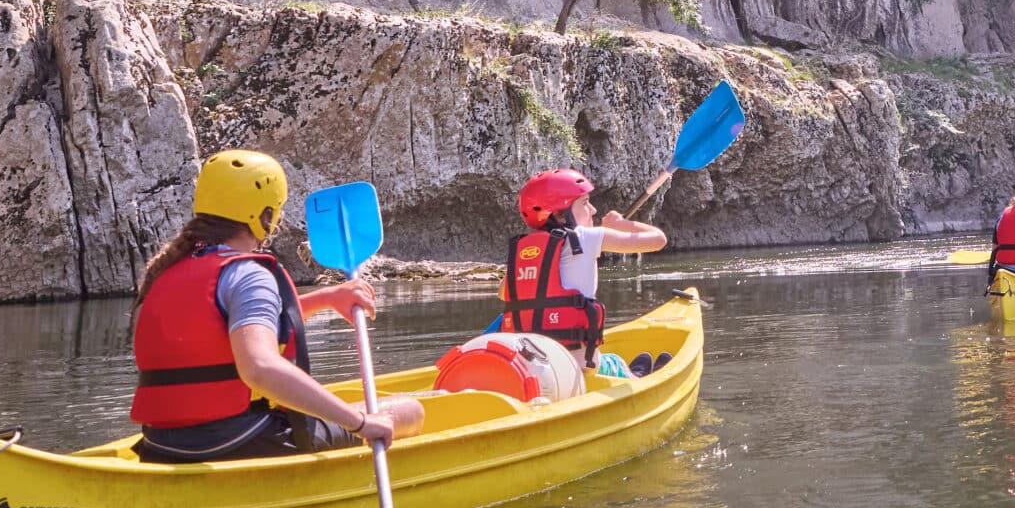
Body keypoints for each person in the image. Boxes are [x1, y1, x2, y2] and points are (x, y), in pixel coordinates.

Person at [132, 150, 425, 465]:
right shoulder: (248, 275)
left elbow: (245, 323)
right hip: (235, 440)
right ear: (264, 217)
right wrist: (362, 424)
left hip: (162, 443)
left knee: (342, 407)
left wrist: (327, 297)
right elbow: (261, 368)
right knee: (409, 409)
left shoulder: (170, 270)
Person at [497, 169, 666, 366]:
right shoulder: (586, 237)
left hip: (527, 365)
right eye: (585, 203)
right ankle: (634, 374)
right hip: (579, 367)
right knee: (628, 364)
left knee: (615, 359)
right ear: (560, 215)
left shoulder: (523, 250)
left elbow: (503, 294)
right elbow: (658, 240)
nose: (593, 210)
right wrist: (622, 224)